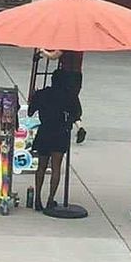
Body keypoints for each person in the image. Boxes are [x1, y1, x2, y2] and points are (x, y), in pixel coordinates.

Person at [29, 69, 82, 212]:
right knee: (56, 167)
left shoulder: (42, 94)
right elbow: (77, 115)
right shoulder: (70, 96)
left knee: (41, 166)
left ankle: (37, 199)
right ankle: (50, 199)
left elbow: (30, 111)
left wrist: (33, 96)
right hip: (60, 133)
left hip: (44, 131)